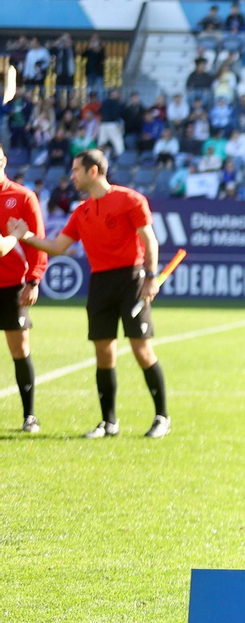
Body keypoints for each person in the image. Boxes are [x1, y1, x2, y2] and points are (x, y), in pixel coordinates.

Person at [9, 149, 170, 438]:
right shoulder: (81, 211)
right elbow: (57, 247)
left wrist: (150, 276)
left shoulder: (130, 199)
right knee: (103, 354)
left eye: (75, 170)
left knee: (141, 349)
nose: (71, 176)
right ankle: (109, 423)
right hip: (99, 283)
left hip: (131, 279)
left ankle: (162, 417)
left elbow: (150, 239)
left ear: (92, 171)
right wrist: (24, 237)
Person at [0, 143, 45, 432]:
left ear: (3, 159)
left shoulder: (22, 196)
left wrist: (34, 280)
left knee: (20, 348)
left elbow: (37, 240)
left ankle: (29, 415)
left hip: (13, 285)